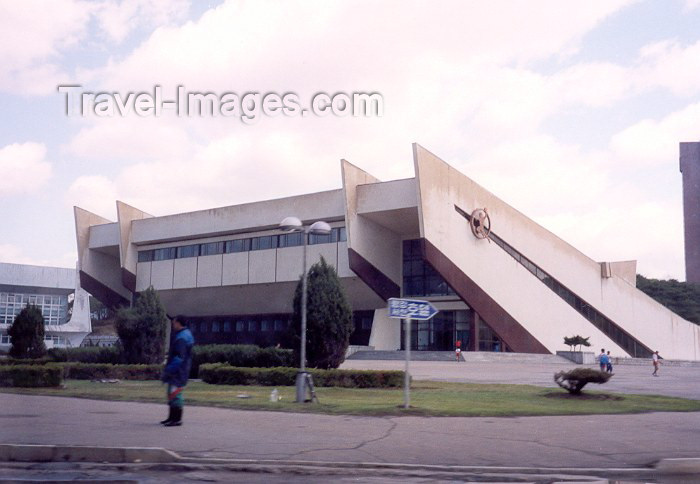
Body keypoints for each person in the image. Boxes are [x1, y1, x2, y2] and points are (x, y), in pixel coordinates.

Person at [160, 314, 195, 427]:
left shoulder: (182, 337)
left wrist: (169, 370)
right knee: (171, 393)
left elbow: (179, 357)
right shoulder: (185, 334)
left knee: (175, 394)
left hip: (179, 370)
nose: (173, 324)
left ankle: (177, 419)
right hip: (180, 369)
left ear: (179, 323)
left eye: (174, 322)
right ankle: (171, 417)